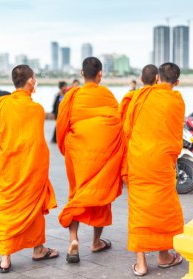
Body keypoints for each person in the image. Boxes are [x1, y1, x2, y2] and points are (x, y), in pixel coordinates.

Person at [0, 65, 58, 273]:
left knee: (7, 212)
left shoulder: (2, 105)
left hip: (9, 170)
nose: (35, 81)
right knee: (34, 208)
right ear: (29, 82)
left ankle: (6, 258)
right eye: (34, 78)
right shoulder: (36, 110)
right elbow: (37, 145)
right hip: (30, 170)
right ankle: (38, 249)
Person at [56, 57, 125, 263]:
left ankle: (73, 241)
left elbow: (62, 126)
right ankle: (96, 242)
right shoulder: (107, 95)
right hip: (102, 155)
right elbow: (117, 125)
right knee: (100, 195)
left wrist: (67, 145)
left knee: (76, 193)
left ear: (81, 73)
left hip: (77, 153)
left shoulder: (72, 96)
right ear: (100, 74)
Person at [123, 63, 185, 276]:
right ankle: (164, 256)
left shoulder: (140, 96)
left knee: (139, 209)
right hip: (161, 162)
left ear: (157, 77)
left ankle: (141, 264)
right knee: (163, 208)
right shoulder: (176, 100)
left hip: (139, 159)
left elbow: (127, 128)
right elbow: (176, 135)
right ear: (176, 82)